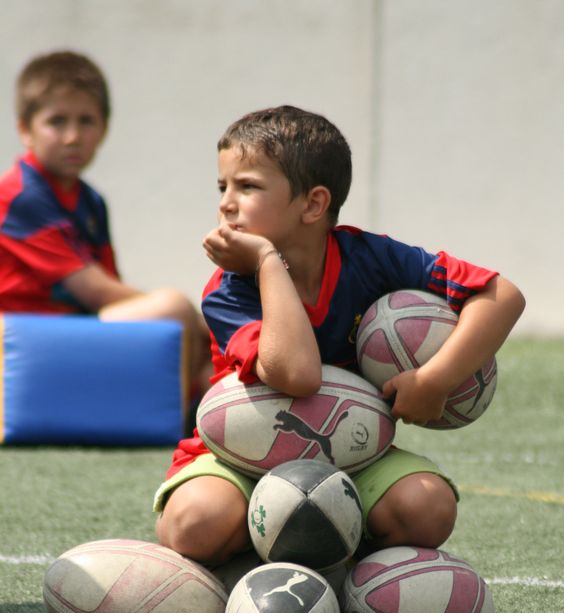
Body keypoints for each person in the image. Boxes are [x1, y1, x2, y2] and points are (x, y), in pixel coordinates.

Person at [154, 105, 525, 567]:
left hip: (351, 453)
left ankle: (341, 569)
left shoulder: (371, 258)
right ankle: (251, 560)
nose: (227, 202)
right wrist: (268, 260)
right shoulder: (230, 289)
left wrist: (435, 380)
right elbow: (299, 375)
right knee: (195, 522)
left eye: (247, 186)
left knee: (428, 508)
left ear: (313, 203)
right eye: (222, 186)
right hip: (242, 458)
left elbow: (501, 295)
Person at [0, 50, 211, 399]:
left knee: (205, 358)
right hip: (19, 336)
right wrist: (191, 316)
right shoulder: (19, 196)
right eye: (56, 121)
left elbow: (112, 292)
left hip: (70, 329)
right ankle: (174, 421)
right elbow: (97, 293)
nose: (72, 136)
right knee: (173, 309)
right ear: (26, 129)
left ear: (104, 129)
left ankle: (196, 414)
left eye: (86, 121)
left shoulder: (90, 201)